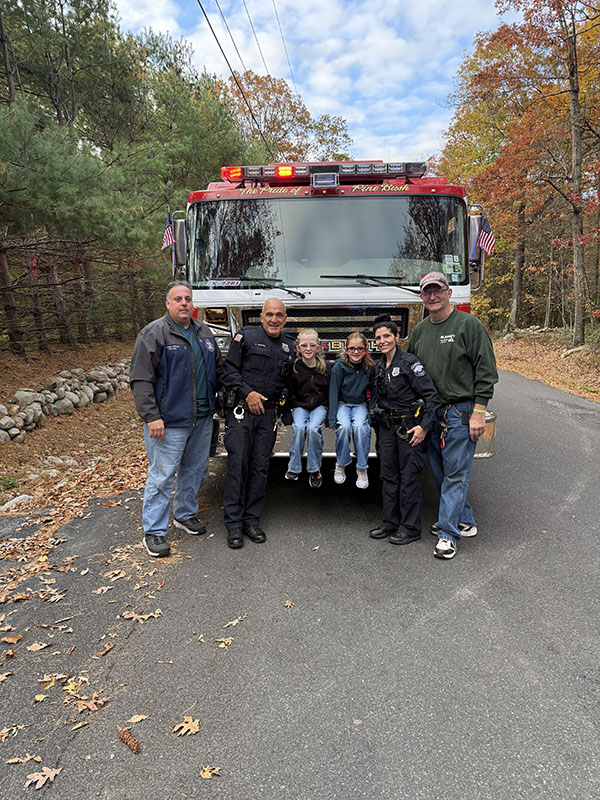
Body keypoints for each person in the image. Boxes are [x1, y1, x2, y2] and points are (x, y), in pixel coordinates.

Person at [407, 272, 498, 560]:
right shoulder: (420, 331)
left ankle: (447, 534)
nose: (432, 297)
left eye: (437, 291)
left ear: (449, 293)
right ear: (422, 298)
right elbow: (411, 371)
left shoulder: (468, 326)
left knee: (456, 474)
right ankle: (465, 520)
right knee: (440, 472)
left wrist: (479, 413)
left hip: (461, 413)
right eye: (427, 293)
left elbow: (486, 372)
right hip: (432, 413)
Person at [130, 280, 224, 558]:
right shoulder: (154, 334)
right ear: (168, 304)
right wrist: (151, 417)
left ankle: (184, 514)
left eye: (188, 299)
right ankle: (155, 532)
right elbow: (140, 379)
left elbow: (217, 369)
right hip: (168, 421)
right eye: (178, 299)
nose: (184, 303)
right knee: (162, 476)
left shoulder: (204, 332)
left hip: (203, 417)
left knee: (195, 470)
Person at [221, 298, 295, 548]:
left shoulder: (289, 346)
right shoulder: (246, 337)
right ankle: (233, 524)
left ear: (285, 319)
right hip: (242, 411)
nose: (274, 320)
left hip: (268, 416)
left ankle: (251, 521)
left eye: (279, 315)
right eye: (270, 315)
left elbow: (292, 383)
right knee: (237, 466)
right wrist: (247, 393)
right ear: (261, 317)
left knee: (260, 468)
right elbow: (228, 371)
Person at [369, 316, 440, 545]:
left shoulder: (410, 363)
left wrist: (424, 427)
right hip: (387, 430)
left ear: (397, 337)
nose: (382, 341)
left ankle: (410, 527)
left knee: (409, 478)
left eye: (387, 336)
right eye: (378, 337)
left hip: (409, 429)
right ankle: (390, 523)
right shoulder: (379, 365)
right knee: (388, 476)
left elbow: (431, 397)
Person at [328, 331, 375, 489]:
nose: (356, 352)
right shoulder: (339, 367)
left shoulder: (369, 367)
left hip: (360, 404)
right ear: (346, 349)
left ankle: (362, 467)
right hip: (343, 403)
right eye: (352, 348)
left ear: (365, 349)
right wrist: (332, 418)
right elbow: (333, 391)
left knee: (361, 428)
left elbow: (373, 392)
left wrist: (371, 412)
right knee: (344, 428)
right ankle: (341, 462)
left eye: (360, 348)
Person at [285, 328, 331, 488]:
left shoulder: (325, 368)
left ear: (318, 348)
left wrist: (330, 413)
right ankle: (294, 467)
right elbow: (289, 391)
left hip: (319, 405)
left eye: (312, 345)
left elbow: (330, 391)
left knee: (312, 429)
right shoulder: (294, 368)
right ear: (298, 348)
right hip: (300, 405)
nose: (308, 349)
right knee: (298, 428)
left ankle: (314, 468)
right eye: (304, 346)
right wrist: (288, 411)